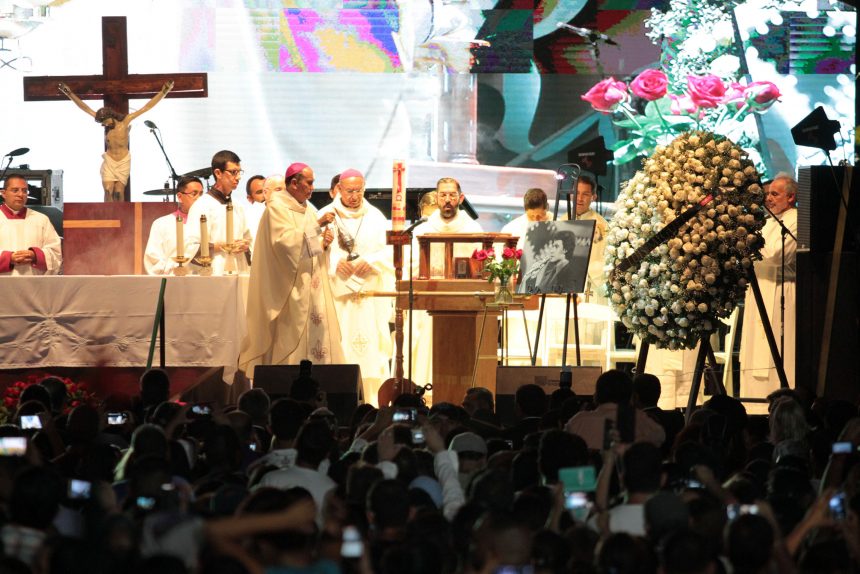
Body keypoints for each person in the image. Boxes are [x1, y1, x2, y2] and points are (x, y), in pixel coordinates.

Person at [238, 162, 344, 379]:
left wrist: (323, 243)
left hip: (310, 286)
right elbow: (285, 244)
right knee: (290, 339)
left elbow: (308, 246)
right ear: (294, 183)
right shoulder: (277, 208)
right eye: (310, 182)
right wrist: (317, 225)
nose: (313, 187)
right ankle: (286, 383)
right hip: (288, 289)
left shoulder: (307, 207)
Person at [318, 169, 393, 407]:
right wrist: (332, 263)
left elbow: (389, 250)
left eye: (358, 191)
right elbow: (313, 249)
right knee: (342, 346)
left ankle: (373, 400)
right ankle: (342, 400)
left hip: (369, 295)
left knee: (372, 349)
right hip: (339, 296)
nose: (354, 196)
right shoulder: (325, 215)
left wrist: (369, 262)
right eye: (349, 191)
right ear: (338, 189)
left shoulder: (376, 217)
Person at [408, 177, 483, 390]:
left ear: (460, 198)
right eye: (443, 195)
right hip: (429, 297)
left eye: (452, 195)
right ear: (437, 198)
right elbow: (411, 262)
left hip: (461, 301)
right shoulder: (423, 228)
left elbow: (481, 262)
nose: (447, 200)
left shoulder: (472, 227)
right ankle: (423, 388)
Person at [58, 80, 173, 202]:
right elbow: (85, 107)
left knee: (118, 191)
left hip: (123, 161)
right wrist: (69, 93)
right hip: (109, 160)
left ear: (110, 116)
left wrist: (164, 92)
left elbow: (146, 107)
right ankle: (108, 217)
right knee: (108, 190)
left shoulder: (125, 121)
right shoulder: (105, 123)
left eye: (105, 122)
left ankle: (120, 217)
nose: (104, 125)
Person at [740, 172, 797, 399]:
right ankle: (753, 402)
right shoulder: (767, 222)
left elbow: (776, 255)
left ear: (791, 197)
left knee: (778, 351)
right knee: (755, 348)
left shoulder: (795, 218)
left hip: (780, 290)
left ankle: (780, 400)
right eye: (767, 194)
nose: (769, 199)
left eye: (775, 194)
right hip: (759, 291)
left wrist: (750, 239)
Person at [185, 150, 252, 276]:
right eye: (233, 172)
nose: (238, 177)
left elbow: (248, 238)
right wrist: (222, 246)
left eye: (239, 172)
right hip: (214, 272)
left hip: (238, 270)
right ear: (218, 173)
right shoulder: (202, 205)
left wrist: (245, 245)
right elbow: (190, 247)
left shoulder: (238, 206)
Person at [0, 174, 62, 275]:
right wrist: (8, 258)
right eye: (15, 190)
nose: (21, 194)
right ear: (3, 193)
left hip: (34, 286)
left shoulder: (41, 219)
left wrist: (35, 256)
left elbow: (55, 253)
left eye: (24, 191)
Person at [143, 176, 203, 275]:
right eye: (194, 194)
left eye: (201, 194)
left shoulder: (207, 223)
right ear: (180, 197)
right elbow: (153, 260)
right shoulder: (161, 224)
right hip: (173, 282)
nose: (199, 198)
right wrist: (175, 269)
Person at [574, 174, 608, 303]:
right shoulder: (563, 220)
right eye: (577, 193)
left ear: (594, 197)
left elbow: (603, 258)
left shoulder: (602, 225)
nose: (580, 198)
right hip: (564, 286)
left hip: (590, 284)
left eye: (585, 194)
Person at [244, 175, 267, 255]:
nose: (265, 195)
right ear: (250, 198)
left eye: (267, 190)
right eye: (260, 192)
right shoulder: (246, 218)